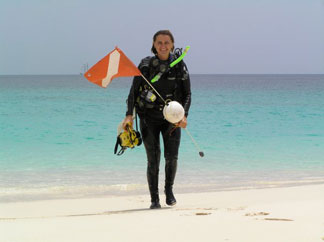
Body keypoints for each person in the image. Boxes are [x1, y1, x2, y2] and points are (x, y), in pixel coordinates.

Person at [122, 30, 191, 209]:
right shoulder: (145, 65)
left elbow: (187, 94)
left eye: (167, 42)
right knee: (153, 159)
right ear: (153, 44)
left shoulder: (179, 65)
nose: (163, 46)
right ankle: (154, 199)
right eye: (159, 42)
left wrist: (184, 116)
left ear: (172, 45)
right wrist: (129, 115)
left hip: (172, 119)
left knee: (172, 157)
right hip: (148, 118)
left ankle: (169, 191)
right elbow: (133, 92)